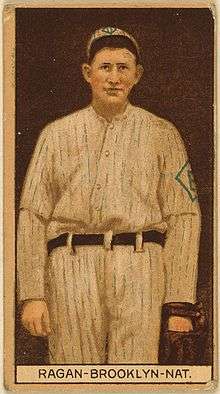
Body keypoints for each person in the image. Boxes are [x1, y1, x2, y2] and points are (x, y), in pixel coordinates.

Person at [17, 27, 201, 364]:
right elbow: (32, 215)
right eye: (105, 67)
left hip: (141, 265)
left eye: (123, 67)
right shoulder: (56, 135)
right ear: (88, 73)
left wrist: (179, 303)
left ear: (137, 74)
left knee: (136, 372)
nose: (114, 77)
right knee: (72, 372)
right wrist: (31, 293)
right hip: (70, 268)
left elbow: (184, 216)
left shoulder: (162, 133)